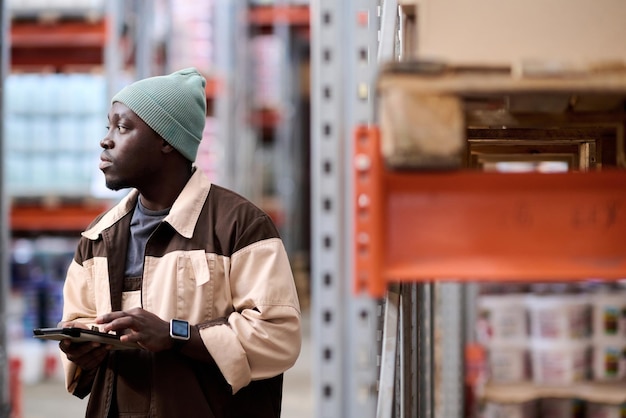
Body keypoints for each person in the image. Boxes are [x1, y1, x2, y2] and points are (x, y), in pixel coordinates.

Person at [58, 68, 302, 418]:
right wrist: (81, 347)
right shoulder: (99, 238)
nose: (106, 140)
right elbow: (78, 322)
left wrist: (177, 335)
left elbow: (278, 338)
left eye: (123, 127)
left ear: (166, 140)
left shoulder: (241, 227)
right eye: (108, 127)